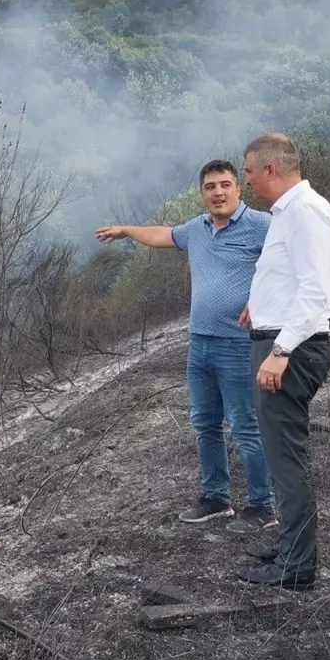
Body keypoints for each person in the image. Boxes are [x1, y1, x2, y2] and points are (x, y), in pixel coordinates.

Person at [96, 160, 276, 530]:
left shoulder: (263, 225)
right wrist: (126, 231)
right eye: (210, 187)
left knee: (245, 426)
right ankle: (216, 498)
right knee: (205, 424)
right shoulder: (197, 229)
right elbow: (164, 235)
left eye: (225, 184)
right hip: (200, 344)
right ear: (202, 194)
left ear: (239, 188)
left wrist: (264, 300)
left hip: (239, 345)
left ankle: (263, 507)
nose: (218, 192)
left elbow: (292, 266)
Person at [235, 134, 330, 591]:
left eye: (249, 171)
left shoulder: (305, 211)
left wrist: (280, 352)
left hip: (290, 350)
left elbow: (317, 291)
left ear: (271, 170)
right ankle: (291, 548)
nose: (247, 179)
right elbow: (290, 278)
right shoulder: (289, 212)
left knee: (287, 459)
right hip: (278, 338)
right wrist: (261, 304)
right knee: (281, 459)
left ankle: (297, 568)